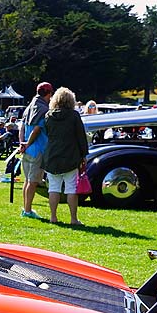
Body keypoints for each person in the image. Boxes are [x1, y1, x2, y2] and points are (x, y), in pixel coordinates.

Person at [42, 87, 88, 227]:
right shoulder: (74, 115)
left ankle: (53, 217)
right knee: (71, 189)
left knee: (53, 188)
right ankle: (73, 219)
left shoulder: (48, 116)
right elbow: (81, 137)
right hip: (70, 156)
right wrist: (83, 154)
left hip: (52, 156)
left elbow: (47, 135)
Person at [18, 82, 53, 218]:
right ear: (49, 93)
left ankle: (26, 208)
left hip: (26, 150)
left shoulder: (29, 106)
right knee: (33, 182)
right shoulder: (43, 109)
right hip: (36, 150)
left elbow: (21, 127)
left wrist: (22, 142)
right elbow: (37, 130)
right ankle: (27, 211)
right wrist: (27, 143)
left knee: (27, 181)